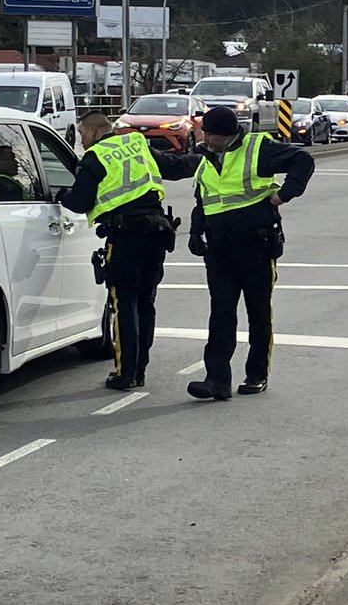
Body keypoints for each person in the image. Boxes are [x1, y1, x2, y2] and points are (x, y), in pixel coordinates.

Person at [57, 110, 195, 391]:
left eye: (82, 134)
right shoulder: (137, 143)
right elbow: (175, 167)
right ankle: (140, 369)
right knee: (146, 302)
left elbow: (80, 202)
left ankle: (125, 372)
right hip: (156, 233)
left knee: (124, 304)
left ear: (94, 131)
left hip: (125, 237)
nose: (81, 141)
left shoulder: (94, 157)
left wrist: (61, 195)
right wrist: (207, 155)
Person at [186, 106, 314, 401]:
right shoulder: (205, 156)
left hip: (255, 245)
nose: (204, 138)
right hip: (219, 247)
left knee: (258, 312)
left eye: (209, 133)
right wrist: (195, 231)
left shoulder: (258, 149)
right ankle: (216, 380)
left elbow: (303, 160)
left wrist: (284, 194)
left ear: (224, 134)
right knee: (221, 313)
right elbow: (203, 197)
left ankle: (257, 375)